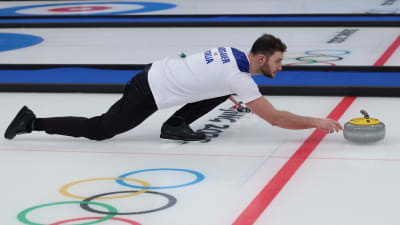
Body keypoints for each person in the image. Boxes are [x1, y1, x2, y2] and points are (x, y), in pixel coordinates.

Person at [4, 34, 342, 142]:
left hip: (154, 73)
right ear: (262, 58)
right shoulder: (239, 78)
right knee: (101, 129)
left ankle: (175, 124)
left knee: (223, 89)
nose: (280, 67)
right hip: (148, 90)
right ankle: (33, 122)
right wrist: (317, 122)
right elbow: (277, 119)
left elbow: (204, 72)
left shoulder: (234, 55)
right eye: (278, 62)